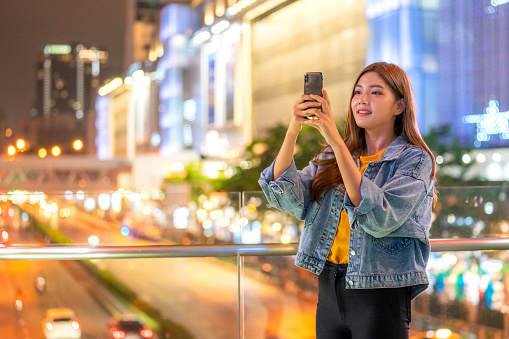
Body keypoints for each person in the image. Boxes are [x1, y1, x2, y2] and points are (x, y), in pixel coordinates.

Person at [258, 62, 436, 339]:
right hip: (329, 282)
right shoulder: (334, 155)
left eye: (376, 93)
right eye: (357, 92)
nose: (362, 100)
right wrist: (294, 129)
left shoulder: (414, 159)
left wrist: (335, 140)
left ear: (399, 106)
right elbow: (289, 198)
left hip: (380, 289)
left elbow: (379, 217)